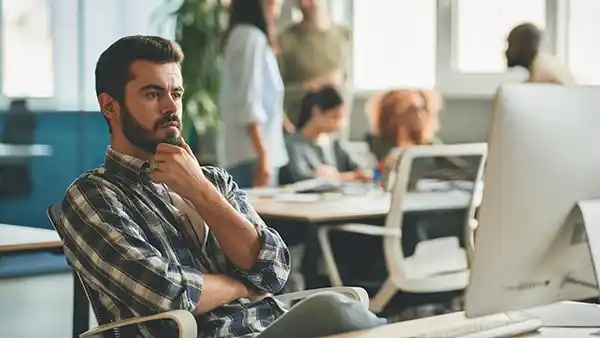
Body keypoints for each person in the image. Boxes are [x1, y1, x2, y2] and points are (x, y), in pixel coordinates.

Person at [58, 35, 384, 338]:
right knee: (337, 310)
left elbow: (273, 271)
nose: (171, 107)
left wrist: (199, 189)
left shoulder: (213, 180)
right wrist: (241, 286)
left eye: (176, 93)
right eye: (153, 94)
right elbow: (167, 294)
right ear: (110, 106)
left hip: (269, 326)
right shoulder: (93, 195)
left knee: (348, 312)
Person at [217, 0, 289, 188]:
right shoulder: (250, 37)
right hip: (252, 155)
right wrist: (263, 155)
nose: (278, 7)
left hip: (255, 152)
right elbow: (247, 103)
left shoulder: (246, 36)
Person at [277, 0, 352, 126]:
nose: (305, 4)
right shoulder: (285, 40)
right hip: (299, 131)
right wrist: (311, 86)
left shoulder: (344, 36)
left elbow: (347, 84)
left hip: (335, 127)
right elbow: (276, 94)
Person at [281, 85, 370, 184]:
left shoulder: (334, 144)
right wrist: (345, 177)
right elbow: (301, 178)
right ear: (317, 112)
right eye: (335, 117)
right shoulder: (292, 145)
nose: (340, 123)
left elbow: (360, 168)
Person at [505, 22, 575, 85]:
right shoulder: (546, 62)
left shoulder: (542, 70)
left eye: (510, 45)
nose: (506, 51)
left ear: (523, 45)